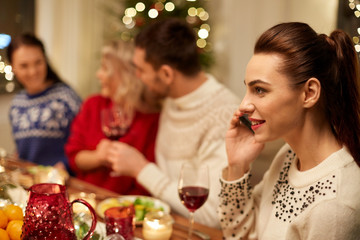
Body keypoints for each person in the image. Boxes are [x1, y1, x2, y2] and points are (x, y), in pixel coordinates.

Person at [218, 22, 360, 239]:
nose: (244, 105)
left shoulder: (335, 207)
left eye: (259, 90)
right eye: (248, 89)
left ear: (309, 93)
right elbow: (240, 234)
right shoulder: (288, 155)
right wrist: (237, 166)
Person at [107, 18, 240, 228]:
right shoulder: (171, 98)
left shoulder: (225, 115)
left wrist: (141, 169)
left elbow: (210, 215)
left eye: (141, 70)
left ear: (167, 74)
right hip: (164, 222)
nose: (138, 77)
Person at [65, 40, 161, 195]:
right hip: (86, 199)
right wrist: (98, 157)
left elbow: (147, 184)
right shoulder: (93, 105)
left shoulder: (152, 119)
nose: (98, 74)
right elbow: (73, 158)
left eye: (105, 68)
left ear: (126, 75)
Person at [7, 33, 82, 173]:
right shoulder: (16, 104)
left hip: (62, 183)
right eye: (24, 66)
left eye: (38, 62)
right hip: (29, 182)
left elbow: (84, 143)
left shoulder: (66, 97)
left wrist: (65, 165)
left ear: (45, 60)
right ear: (13, 67)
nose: (33, 71)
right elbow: (26, 149)